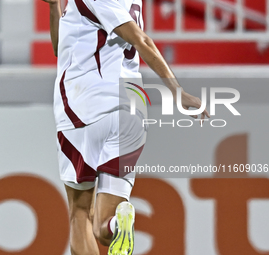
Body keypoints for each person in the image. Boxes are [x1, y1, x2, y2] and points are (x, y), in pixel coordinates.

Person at [42, 0, 209, 254]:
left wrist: (178, 92)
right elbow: (61, 47)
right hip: (131, 114)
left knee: (79, 212)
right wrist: (55, 7)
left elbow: (142, 40)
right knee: (102, 229)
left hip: (85, 107)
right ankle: (118, 225)